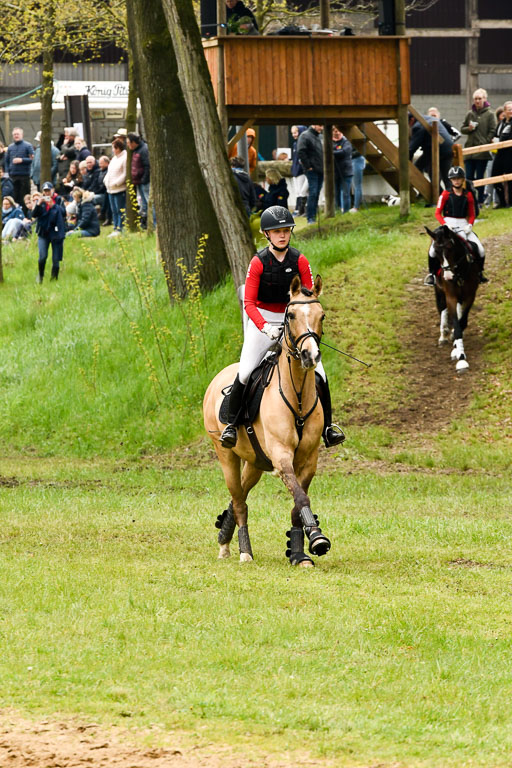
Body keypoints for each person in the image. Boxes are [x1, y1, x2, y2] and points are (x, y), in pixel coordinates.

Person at [219, 205, 345, 450]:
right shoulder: (258, 262)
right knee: (245, 372)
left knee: (320, 373)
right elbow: (249, 302)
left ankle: (328, 428)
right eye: (277, 231)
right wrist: (265, 327)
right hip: (263, 319)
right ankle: (231, 426)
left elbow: (309, 297)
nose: (283, 235)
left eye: (286, 230)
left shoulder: (299, 260)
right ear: (267, 234)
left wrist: (305, 327)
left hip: (293, 320)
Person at [424, 166, 486, 287]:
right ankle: (432, 275)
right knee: (432, 251)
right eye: (454, 179)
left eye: (458, 179)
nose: (456, 181)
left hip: (463, 224)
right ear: (450, 180)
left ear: (463, 180)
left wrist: (469, 225)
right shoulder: (445, 194)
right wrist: (445, 224)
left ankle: (479, 273)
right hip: (448, 224)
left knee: (480, 249)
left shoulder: (468, 195)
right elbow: (437, 213)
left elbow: (472, 214)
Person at [460, 88, 496, 206]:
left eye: (479, 98)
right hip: (470, 151)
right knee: (469, 177)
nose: (477, 101)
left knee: (480, 177)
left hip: (482, 153)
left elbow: (493, 130)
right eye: (475, 99)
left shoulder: (490, 114)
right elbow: (462, 129)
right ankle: (470, 201)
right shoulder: (470, 113)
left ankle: (480, 200)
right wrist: (469, 129)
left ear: (484, 99)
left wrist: (485, 142)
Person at [31, 181, 67, 283]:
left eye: (48, 191)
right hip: (43, 233)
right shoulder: (40, 201)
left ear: (53, 190)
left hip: (56, 232)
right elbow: (34, 215)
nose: (47, 193)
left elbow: (64, 213)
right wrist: (38, 204)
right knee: (42, 257)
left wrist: (53, 205)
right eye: (45, 191)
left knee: (56, 260)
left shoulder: (59, 200)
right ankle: (40, 275)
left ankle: (54, 280)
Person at [408, 113, 453, 191]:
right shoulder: (428, 119)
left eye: (408, 123)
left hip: (436, 149)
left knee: (418, 168)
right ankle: (450, 198)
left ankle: (437, 195)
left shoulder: (418, 126)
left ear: (412, 119)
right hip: (448, 148)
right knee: (446, 176)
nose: (408, 126)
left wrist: (407, 161)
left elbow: (412, 148)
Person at [297, 125, 324, 224]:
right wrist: (308, 166)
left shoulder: (319, 136)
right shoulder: (305, 136)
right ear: (314, 125)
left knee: (316, 192)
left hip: (320, 168)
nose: (321, 128)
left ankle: (313, 215)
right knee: (313, 192)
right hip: (312, 169)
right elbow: (301, 152)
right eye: (320, 126)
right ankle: (310, 217)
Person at [5, 127, 34, 209]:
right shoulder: (10, 147)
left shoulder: (28, 146)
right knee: (14, 196)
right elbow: (6, 161)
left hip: (24, 176)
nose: (16, 136)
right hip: (13, 177)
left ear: (22, 135)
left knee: (24, 197)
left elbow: (32, 159)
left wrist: (22, 160)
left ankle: (25, 215)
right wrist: (7, 173)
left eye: (17, 134)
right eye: (14, 134)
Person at [490, 100, 512, 209]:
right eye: (509, 110)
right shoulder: (501, 123)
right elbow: (495, 134)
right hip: (499, 153)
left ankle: (510, 203)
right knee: (495, 177)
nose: (511, 111)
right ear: (504, 111)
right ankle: (502, 202)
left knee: (510, 179)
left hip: (510, 154)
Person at [126, 132, 151, 227]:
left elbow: (147, 165)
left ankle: (152, 223)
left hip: (144, 181)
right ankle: (145, 223)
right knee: (143, 203)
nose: (128, 145)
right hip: (139, 181)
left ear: (133, 142)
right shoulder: (136, 150)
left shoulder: (144, 150)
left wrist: (144, 179)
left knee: (148, 202)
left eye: (128, 143)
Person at [103, 138, 127, 236]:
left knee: (120, 209)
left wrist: (116, 183)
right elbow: (109, 172)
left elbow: (125, 174)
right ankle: (115, 227)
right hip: (110, 189)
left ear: (118, 148)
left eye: (113, 148)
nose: (112, 150)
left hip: (119, 189)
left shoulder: (124, 158)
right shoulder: (114, 159)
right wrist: (105, 180)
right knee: (113, 210)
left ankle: (120, 228)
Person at [332, 127, 353, 214]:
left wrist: (332, 152)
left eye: (338, 130)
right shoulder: (330, 142)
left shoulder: (346, 141)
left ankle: (346, 212)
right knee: (336, 194)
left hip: (346, 172)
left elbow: (344, 152)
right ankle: (337, 211)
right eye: (334, 131)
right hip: (334, 173)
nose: (336, 132)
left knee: (345, 193)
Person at [290, 125, 308, 216]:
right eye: (292, 133)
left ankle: (302, 209)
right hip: (295, 171)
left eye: (295, 132)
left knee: (302, 191)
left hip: (301, 171)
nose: (294, 135)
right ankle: (298, 209)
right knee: (297, 191)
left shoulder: (303, 144)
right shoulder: (294, 144)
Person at [350, 145, 365, 212]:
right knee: (355, 185)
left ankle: (356, 207)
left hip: (356, 160)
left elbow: (360, 150)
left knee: (357, 185)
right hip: (352, 161)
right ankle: (355, 206)